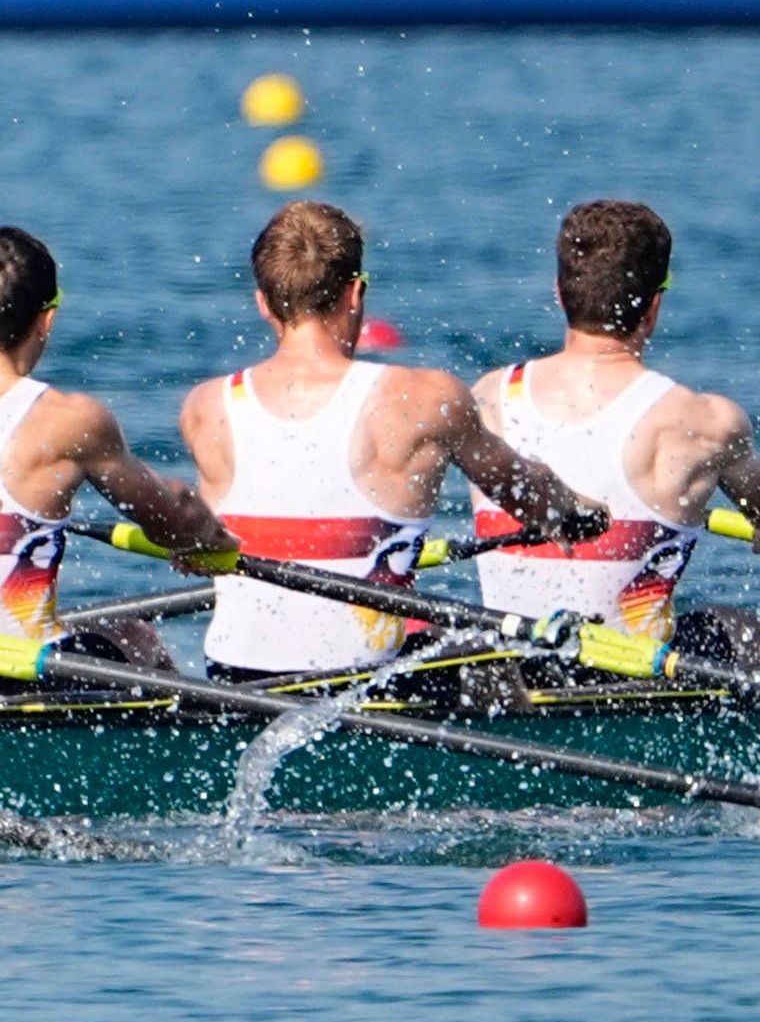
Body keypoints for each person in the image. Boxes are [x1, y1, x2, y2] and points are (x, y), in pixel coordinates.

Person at [176, 201, 605, 686]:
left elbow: (200, 550)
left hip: (235, 678)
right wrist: (578, 512)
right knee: (495, 654)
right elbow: (525, 492)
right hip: (363, 681)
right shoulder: (425, 398)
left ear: (262, 302)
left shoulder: (206, 406)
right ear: (355, 293)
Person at [469, 199, 760, 673]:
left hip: (512, 675)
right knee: (742, 632)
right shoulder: (703, 423)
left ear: (560, 294)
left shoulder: (490, 397)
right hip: (627, 684)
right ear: (655, 305)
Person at [0, 226, 237, 667]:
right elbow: (169, 518)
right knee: (135, 638)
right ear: (47, 319)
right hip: (23, 684)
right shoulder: (67, 419)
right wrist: (212, 541)